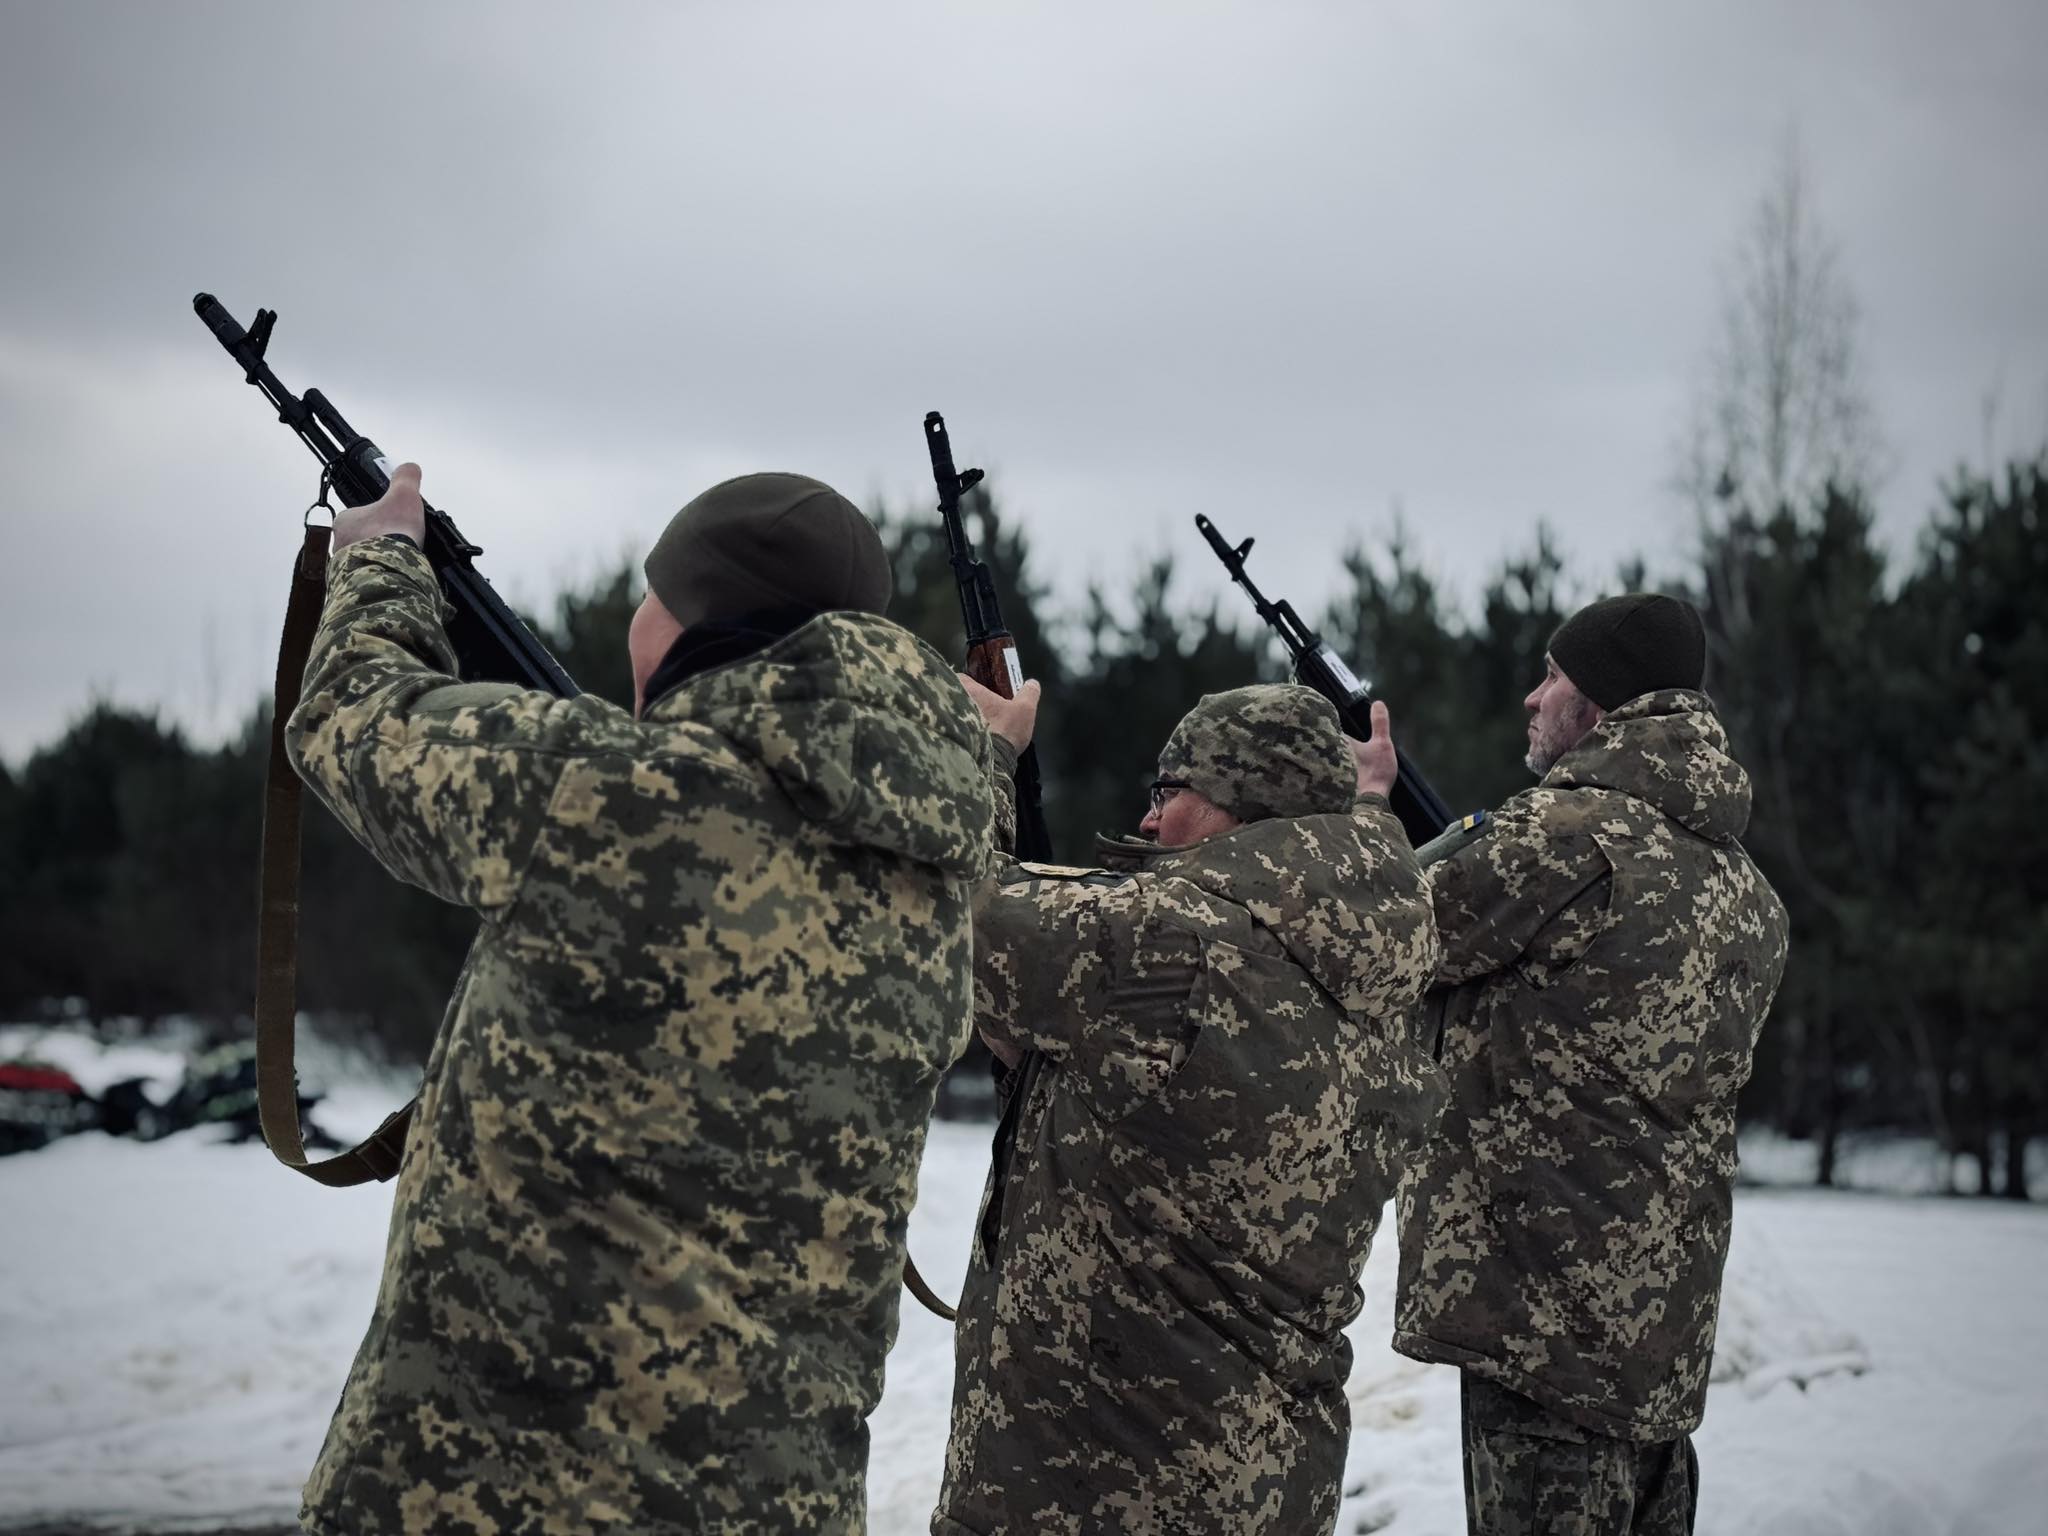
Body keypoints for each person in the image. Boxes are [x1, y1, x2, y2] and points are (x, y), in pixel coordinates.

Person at [286, 463, 998, 1536]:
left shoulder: (611, 794)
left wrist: (379, 557)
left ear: (687, 624)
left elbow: (352, 718)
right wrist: (980, 746)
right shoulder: (935, 876)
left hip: (499, 1496)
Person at [935, 681, 1445, 1536]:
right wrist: (1364, 801)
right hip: (1269, 1476)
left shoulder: (1174, 938)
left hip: (1101, 1486)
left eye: (1167, 792)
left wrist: (988, 754)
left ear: (1239, 807)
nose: (1146, 821)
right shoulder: (1378, 949)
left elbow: (954, 912)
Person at [1390, 593, 1791, 1535]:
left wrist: (1371, 809)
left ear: (1602, 705)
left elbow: (1380, 937)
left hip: (1541, 1337)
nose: (1532, 698)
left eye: (1553, 677)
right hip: (1660, 1343)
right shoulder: (1747, 891)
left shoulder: (1562, 838)